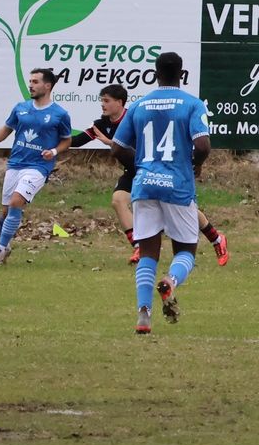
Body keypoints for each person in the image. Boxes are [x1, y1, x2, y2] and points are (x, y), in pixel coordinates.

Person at [70, 83, 229, 266]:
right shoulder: (101, 124)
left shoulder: (136, 116)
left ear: (119, 102)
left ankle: (216, 238)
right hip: (134, 170)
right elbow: (78, 140)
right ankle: (138, 246)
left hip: (154, 168)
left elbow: (141, 148)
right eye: (101, 101)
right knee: (118, 200)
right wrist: (54, 144)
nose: (102, 105)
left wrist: (110, 142)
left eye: (106, 101)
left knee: (185, 208)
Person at [108, 53, 211, 334]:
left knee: (147, 253)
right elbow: (202, 146)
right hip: (177, 185)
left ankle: (144, 313)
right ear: (182, 73)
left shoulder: (140, 105)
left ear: (155, 73)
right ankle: (170, 282)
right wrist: (196, 166)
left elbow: (117, 148)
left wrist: (141, 165)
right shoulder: (191, 104)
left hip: (144, 185)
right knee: (186, 250)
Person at [0, 68, 72, 265]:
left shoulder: (60, 114)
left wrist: (54, 152)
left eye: (35, 81)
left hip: (38, 167)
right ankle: (5, 247)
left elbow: (67, 140)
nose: (31, 85)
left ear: (47, 85)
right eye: (30, 81)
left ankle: (0, 247)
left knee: (17, 201)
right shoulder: (20, 108)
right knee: (6, 212)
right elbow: (7, 128)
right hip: (16, 163)